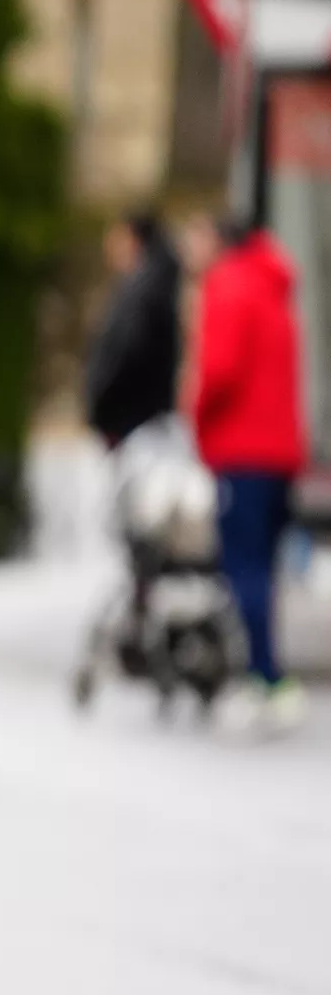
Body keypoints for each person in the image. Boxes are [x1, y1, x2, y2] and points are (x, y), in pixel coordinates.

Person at [191, 220, 308, 729]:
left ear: (220, 242)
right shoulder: (272, 286)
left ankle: (264, 678)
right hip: (279, 450)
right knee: (262, 566)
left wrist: (195, 418)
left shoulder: (229, 285)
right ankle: (267, 675)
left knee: (245, 568)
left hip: (242, 450)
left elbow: (218, 370)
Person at [82, 211, 184, 452]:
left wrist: (101, 397)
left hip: (132, 420)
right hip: (135, 417)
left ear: (133, 240)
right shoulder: (150, 285)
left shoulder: (143, 291)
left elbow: (126, 350)